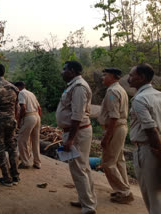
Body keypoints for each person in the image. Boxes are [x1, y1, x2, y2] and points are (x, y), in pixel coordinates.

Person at [56, 61, 97, 214]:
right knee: (83, 167)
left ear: (72, 71)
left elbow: (77, 115)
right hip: (77, 131)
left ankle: (88, 206)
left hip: (78, 132)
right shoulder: (74, 85)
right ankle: (86, 200)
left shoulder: (79, 87)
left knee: (79, 169)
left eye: (64, 69)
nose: (62, 72)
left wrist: (70, 139)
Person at [128, 63, 161, 213]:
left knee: (152, 194)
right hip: (156, 147)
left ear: (141, 78)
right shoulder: (158, 95)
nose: (128, 79)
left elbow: (150, 129)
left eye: (131, 75)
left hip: (149, 150)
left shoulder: (140, 99)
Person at [97, 68, 133, 203]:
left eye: (105, 75)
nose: (103, 78)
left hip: (115, 128)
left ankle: (124, 191)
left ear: (112, 77)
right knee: (118, 160)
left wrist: (107, 136)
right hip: (120, 128)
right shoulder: (120, 89)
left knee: (108, 162)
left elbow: (113, 116)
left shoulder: (112, 91)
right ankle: (123, 190)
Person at [14, 81, 42, 169]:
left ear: (18, 87)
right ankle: (37, 163)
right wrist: (37, 118)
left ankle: (25, 162)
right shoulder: (31, 93)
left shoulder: (21, 93)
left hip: (28, 116)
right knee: (35, 140)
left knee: (21, 140)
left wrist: (19, 120)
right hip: (36, 116)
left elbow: (23, 108)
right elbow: (39, 108)